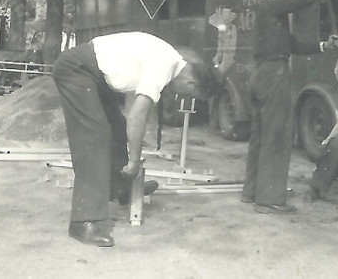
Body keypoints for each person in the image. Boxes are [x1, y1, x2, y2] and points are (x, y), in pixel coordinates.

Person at [52, 31, 216, 247]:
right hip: (78, 69)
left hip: (94, 72)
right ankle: (82, 221)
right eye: (190, 95)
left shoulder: (170, 58)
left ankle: (123, 189)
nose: (183, 97)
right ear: (191, 83)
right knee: (95, 136)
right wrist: (134, 161)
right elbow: (137, 116)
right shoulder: (164, 67)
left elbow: (132, 113)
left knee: (116, 126)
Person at [242, 0, 338, 214]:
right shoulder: (272, 6)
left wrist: (323, 46)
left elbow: (293, 45)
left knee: (260, 136)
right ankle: (270, 200)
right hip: (274, 75)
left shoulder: (269, 14)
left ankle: (252, 191)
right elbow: (303, 1)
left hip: (261, 75)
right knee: (277, 136)